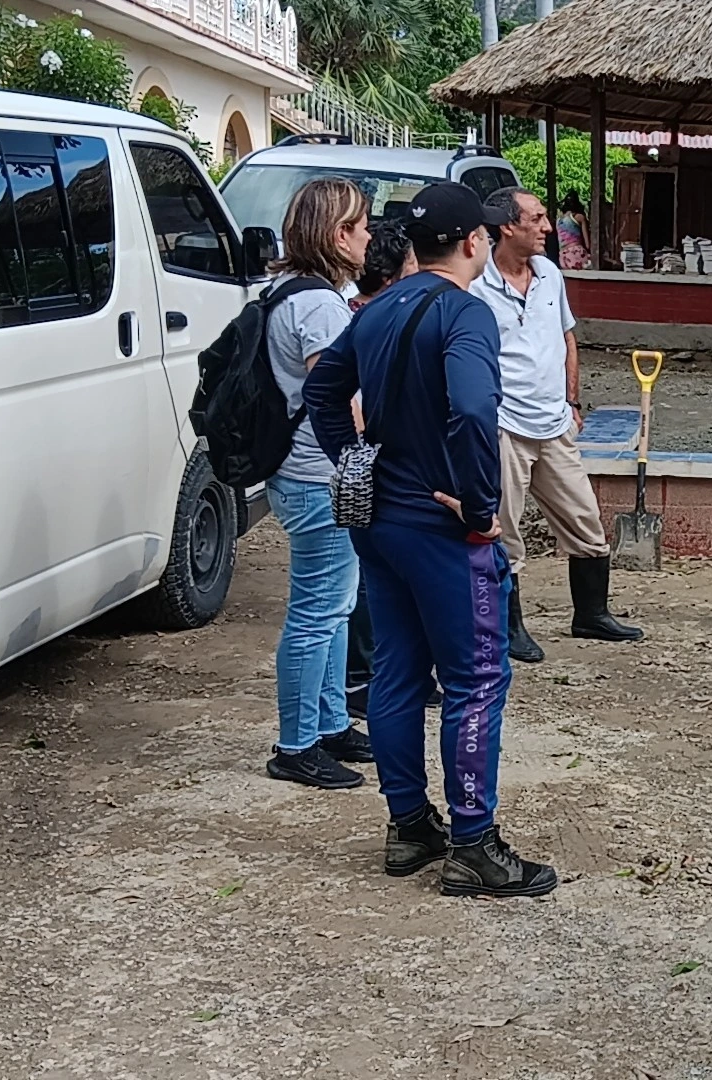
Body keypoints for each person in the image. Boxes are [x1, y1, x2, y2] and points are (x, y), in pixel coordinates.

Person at [304, 182, 558, 899]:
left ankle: (410, 825)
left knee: (396, 672)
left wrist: (356, 461)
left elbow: (322, 392)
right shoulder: (466, 313)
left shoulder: (378, 307)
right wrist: (480, 505)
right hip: (442, 524)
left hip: (381, 520)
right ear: (476, 241)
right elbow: (474, 408)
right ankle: (473, 843)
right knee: (476, 680)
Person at [474, 185, 641, 662]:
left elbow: (567, 338)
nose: (548, 227)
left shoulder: (549, 273)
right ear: (508, 226)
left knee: (585, 519)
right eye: (537, 219)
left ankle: (592, 614)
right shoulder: (476, 282)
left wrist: (571, 401)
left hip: (553, 422)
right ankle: (508, 629)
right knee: (505, 531)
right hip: (504, 424)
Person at [262, 177, 372, 789]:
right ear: (338, 234)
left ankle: (329, 724)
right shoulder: (322, 307)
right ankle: (297, 743)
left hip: (301, 472)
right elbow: (334, 396)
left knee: (334, 607)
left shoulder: (287, 292)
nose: (369, 237)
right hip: (319, 476)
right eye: (361, 226)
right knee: (317, 612)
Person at [343, 217, 424, 719]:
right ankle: (364, 676)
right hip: (368, 461)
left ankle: (391, 670)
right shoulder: (366, 322)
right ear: (394, 275)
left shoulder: (375, 317)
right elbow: (342, 399)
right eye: (413, 263)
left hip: (375, 459)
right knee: (366, 577)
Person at [556, 191, 590, 270]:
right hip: (576, 254)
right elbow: (587, 244)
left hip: (563, 256)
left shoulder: (559, 220)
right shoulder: (579, 217)